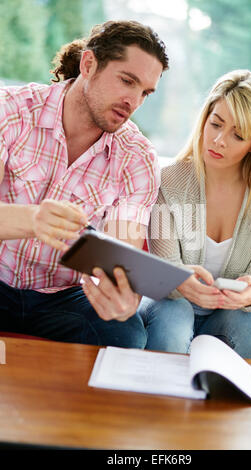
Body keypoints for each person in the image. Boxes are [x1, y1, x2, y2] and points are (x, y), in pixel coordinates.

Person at [0, 20, 169, 346]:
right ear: (89, 64)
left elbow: (122, 253)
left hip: (63, 297)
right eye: (127, 81)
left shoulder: (138, 158)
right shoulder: (10, 112)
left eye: (144, 92)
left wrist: (123, 296)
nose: (133, 101)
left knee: (127, 333)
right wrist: (33, 221)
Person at [138, 69, 251, 359]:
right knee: (175, 317)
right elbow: (165, 271)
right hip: (169, 304)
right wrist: (181, 281)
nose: (219, 140)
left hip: (229, 313)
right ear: (205, 119)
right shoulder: (169, 181)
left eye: (238, 135)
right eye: (216, 124)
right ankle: (157, 403)